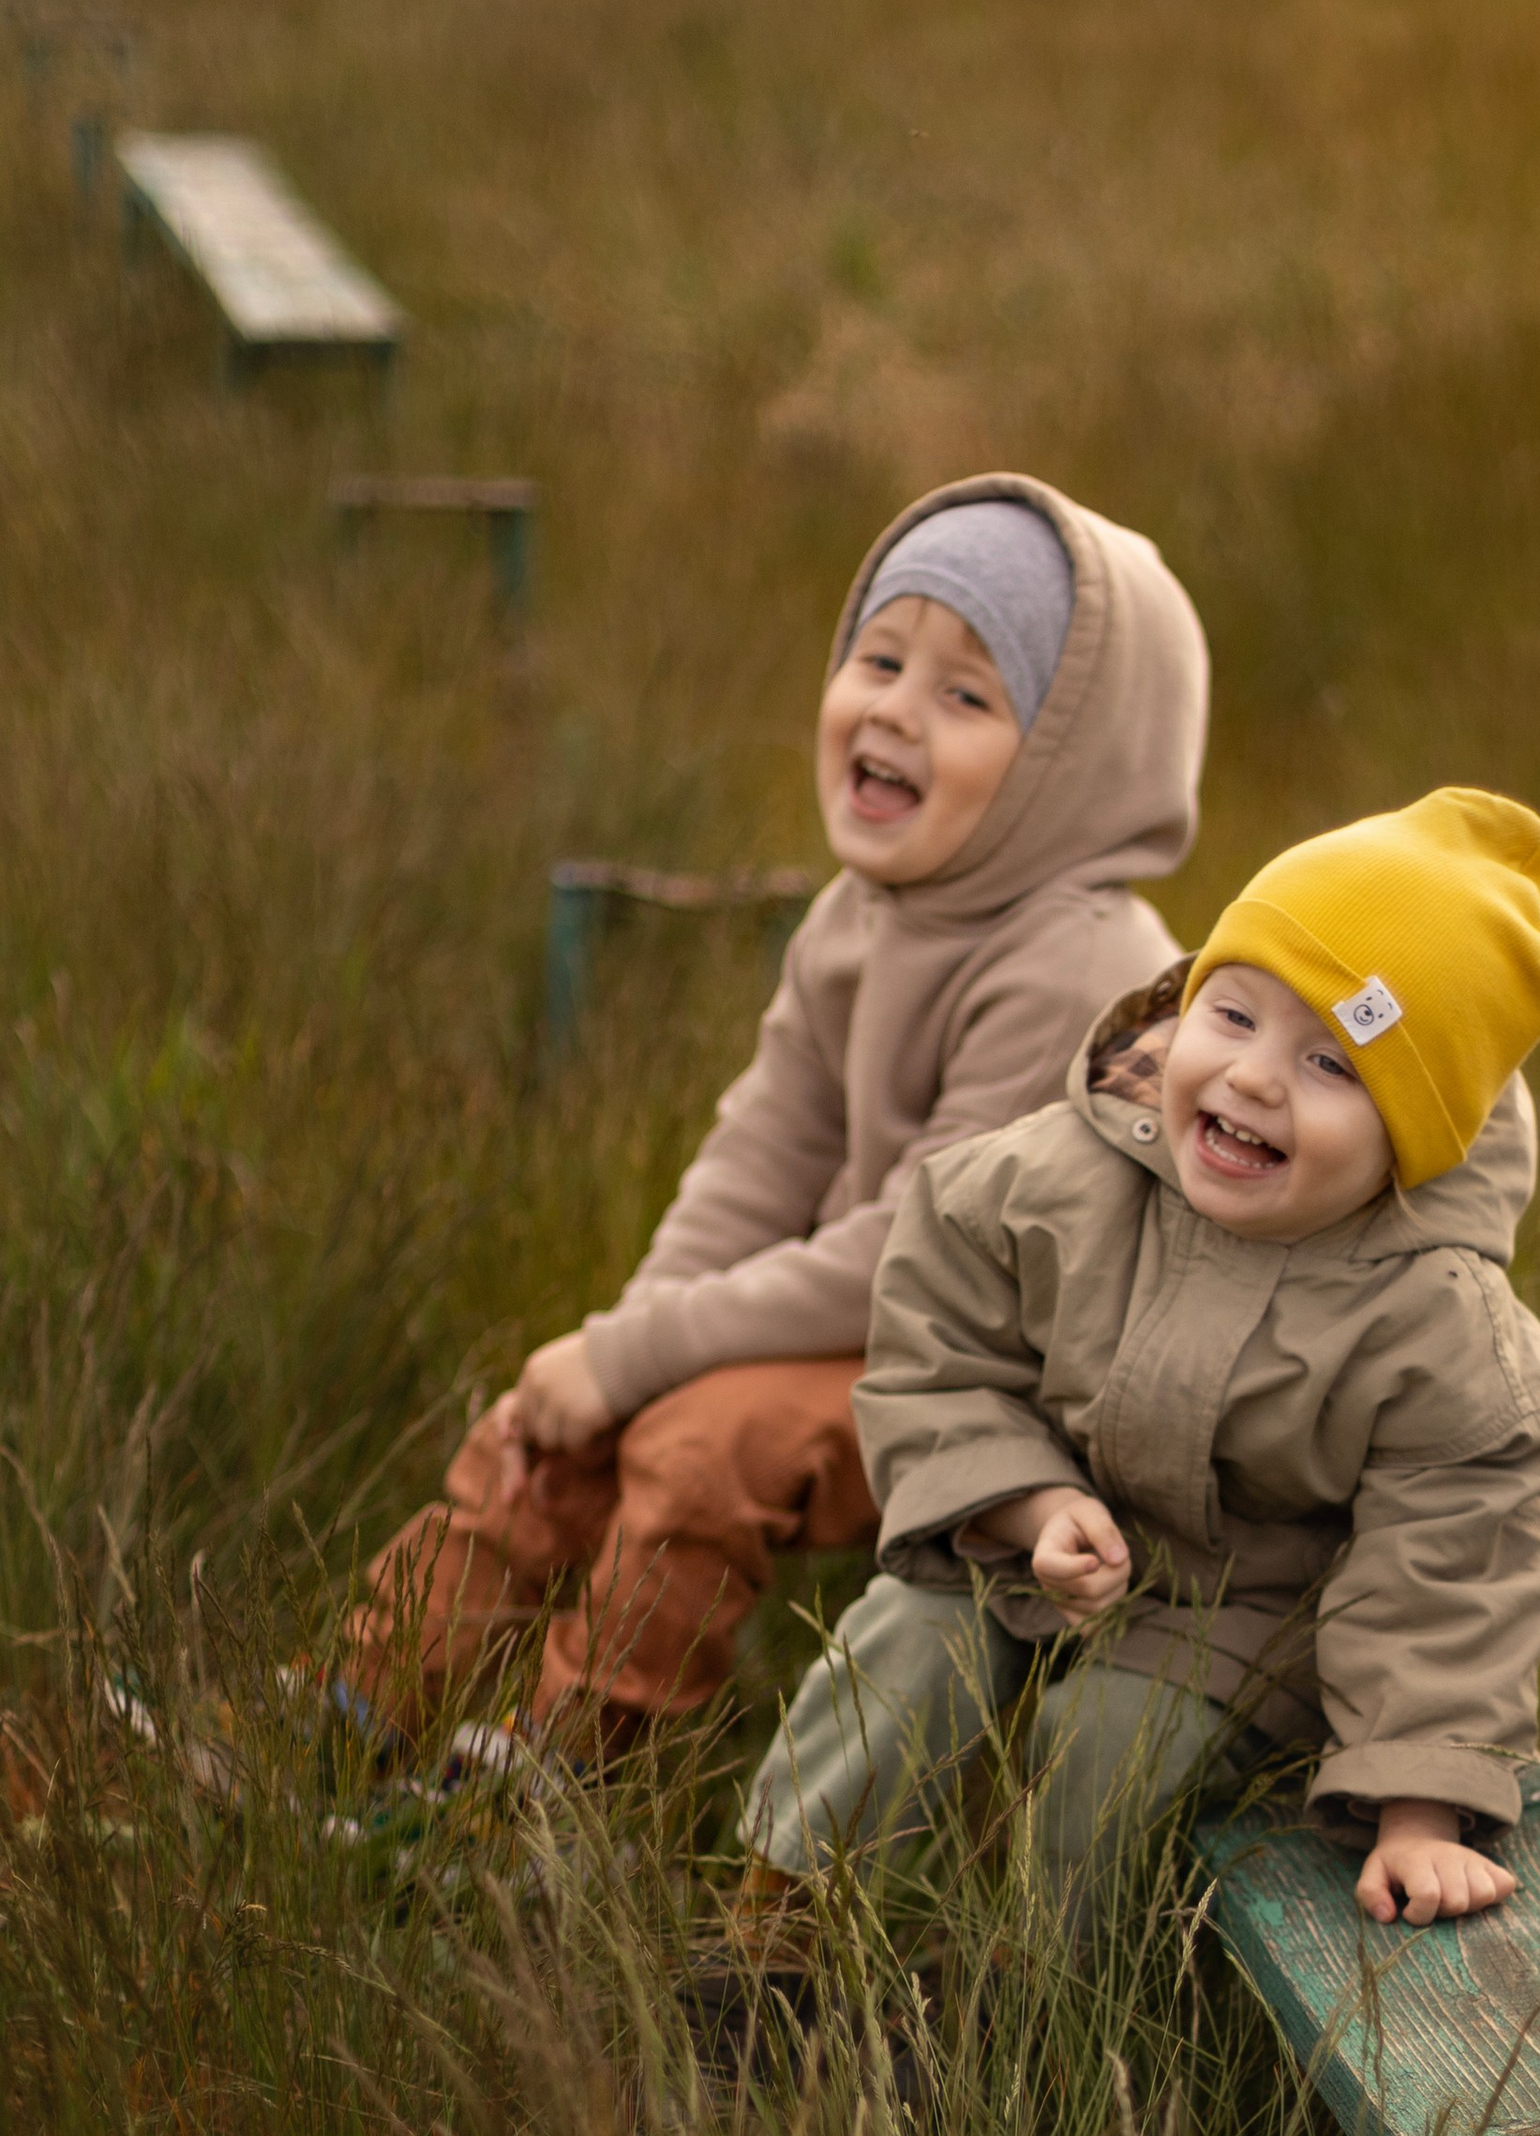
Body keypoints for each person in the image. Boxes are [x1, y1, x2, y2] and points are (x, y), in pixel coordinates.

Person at [342, 474, 1209, 1759]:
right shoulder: (860, 914)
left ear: (1073, 766)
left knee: (700, 1445)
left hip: (1019, 1401)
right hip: (896, 1334)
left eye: (965, 695)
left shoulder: (1076, 963)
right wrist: (624, 1348)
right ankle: (351, 1713)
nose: (892, 711)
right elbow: (764, 1151)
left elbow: (915, 1252)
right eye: (877, 657)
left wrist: (649, 1369)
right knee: (556, 1419)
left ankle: (571, 1784)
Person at [734, 785, 1540, 1943]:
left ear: (1414, 1136)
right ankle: (782, 1931)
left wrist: (1421, 1812)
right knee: (904, 1651)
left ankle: (1030, 2006)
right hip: (1035, 1543)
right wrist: (1027, 1502)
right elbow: (941, 1347)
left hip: (1240, 1614)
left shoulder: (1433, 1321)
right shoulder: (1065, 1174)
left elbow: (1451, 1566)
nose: (1253, 1080)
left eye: (1333, 1066)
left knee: (1111, 1753)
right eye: (1230, 1016)